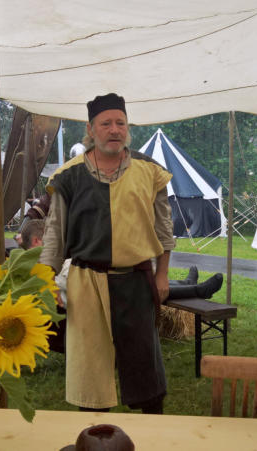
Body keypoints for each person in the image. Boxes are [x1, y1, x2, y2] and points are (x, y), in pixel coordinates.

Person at [40, 93, 173, 414]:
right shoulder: (69, 176)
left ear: (127, 128)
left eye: (120, 123)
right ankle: (94, 433)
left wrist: (162, 274)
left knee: (145, 367)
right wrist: (46, 280)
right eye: (106, 124)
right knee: (90, 370)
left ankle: (153, 429)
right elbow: (54, 233)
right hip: (86, 283)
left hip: (136, 281)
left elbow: (164, 229)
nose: (114, 130)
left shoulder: (150, 171)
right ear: (90, 129)